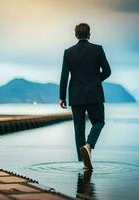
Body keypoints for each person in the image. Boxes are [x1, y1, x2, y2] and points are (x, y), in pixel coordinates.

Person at [59, 23, 111, 169]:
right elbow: (107, 71)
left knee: (78, 129)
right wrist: (95, 80)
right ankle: (89, 145)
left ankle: (83, 163)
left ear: (76, 35)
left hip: (76, 96)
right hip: (94, 94)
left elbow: (64, 77)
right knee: (99, 122)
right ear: (89, 34)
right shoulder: (97, 50)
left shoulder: (68, 52)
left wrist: (62, 96)